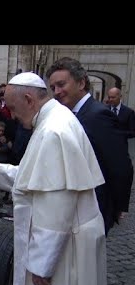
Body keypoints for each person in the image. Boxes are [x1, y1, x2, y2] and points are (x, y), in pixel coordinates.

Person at [0, 72, 107, 285]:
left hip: (64, 249)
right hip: (69, 237)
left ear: (29, 99)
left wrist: (43, 265)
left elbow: (57, 204)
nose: (11, 115)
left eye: (12, 108)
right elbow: (38, 178)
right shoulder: (54, 118)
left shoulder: (52, 131)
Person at [46, 57, 134, 235]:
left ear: (81, 83)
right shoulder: (69, 114)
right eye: (53, 87)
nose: (57, 91)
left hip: (95, 206)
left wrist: (116, 207)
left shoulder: (98, 115)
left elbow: (120, 166)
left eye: (61, 84)